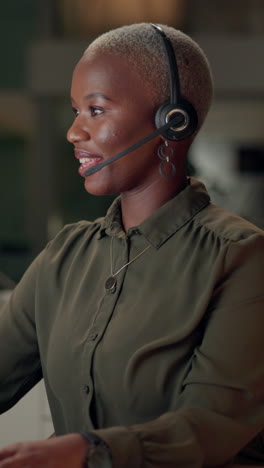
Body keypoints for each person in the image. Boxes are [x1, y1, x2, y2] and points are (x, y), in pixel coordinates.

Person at [0, 22, 263, 468]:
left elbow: (210, 425)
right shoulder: (65, 257)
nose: (74, 132)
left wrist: (83, 451)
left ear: (171, 121)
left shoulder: (240, 257)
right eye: (74, 111)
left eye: (96, 111)